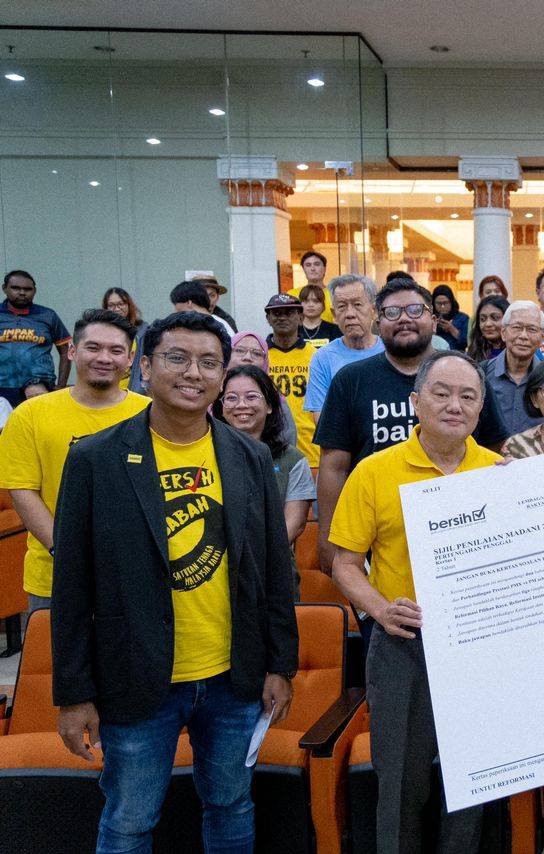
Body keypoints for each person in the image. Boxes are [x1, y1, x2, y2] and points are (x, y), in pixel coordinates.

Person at [51, 310, 297, 853]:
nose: (193, 373)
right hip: (135, 678)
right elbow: (71, 586)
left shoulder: (250, 456)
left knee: (231, 804)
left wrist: (280, 664)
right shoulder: (94, 458)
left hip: (233, 677)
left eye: (209, 362)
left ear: (223, 374)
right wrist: (73, 694)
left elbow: (274, 571)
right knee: (130, 820)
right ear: (144, 367)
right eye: (177, 358)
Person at [329, 350, 497, 854]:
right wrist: (380, 609)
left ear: (481, 408)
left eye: (468, 396)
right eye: (441, 393)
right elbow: (343, 564)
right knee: (401, 784)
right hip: (404, 644)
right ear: (416, 401)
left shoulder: (500, 472)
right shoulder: (374, 472)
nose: (454, 405)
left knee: (474, 783)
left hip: (480, 647)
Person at [314, 280, 508, 572]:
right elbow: (333, 466)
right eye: (392, 312)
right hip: (378, 535)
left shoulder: (466, 376)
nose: (404, 318)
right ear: (378, 321)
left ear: (434, 319)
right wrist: (328, 540)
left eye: (415, 310)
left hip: (464, 532)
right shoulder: (351, 380)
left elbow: (491, 451)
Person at [0, 310, 149, 612]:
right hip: (55, 576)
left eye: (116, 350)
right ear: (71, 350)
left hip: (136, 576)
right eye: (93, 347)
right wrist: (66, 552)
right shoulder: (30, 414)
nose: (104, 358)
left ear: (130, 359)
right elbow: (22, 490)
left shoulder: (151, 415)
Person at [213, 365, 315, 566]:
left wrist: (251, 560)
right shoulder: (207, 452)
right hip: (215, 565)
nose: (241, 405)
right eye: (231, 398)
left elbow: (293, 525)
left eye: (251, 397)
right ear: (221, 408)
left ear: (269, 405)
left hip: (272, 565)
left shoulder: (292, 460)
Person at [303, 275, 385, 418]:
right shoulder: (323, 358)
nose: (349, 314)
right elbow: (322, 420)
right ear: (334, 314)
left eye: (357, 305)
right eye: (341, 306)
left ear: (374, 310)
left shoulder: (391, 351)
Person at [264, 293, 320, 466]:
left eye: (289, 312)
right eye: (276, 313)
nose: (282, 317)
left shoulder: (317, 356)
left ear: (301, 317)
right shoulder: (259, 356)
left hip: (311, 450)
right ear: (268, 318)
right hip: (269, 450)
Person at [0, 269, 71, 405]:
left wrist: (61, 386)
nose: (22, 292)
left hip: (39, 385)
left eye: (28, 289)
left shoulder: (48, 315)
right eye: (16, 288)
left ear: (35, 291)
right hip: (3, 386)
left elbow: (66, 350)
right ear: (4, 288)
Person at [483, 300, 544, 435]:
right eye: (517, 327)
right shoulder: (481, 374)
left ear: (542, 337)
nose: (523, 336)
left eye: (531, 329)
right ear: (503, 333)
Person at [229, 330, 300, 451]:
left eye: (256, 353)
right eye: (240, 350)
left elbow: (287, 442)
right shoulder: (212, 393)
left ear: (265, 361)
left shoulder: (275, 399)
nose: (247, 357)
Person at [103, 287, 149, 393]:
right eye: (111, 305)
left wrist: (142, 387)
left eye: (121, 304)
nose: (117, 308)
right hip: (106, 389)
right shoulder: (100, 331)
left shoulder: (142, 330)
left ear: (129, 305)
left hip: (134, 390)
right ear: (105, 308)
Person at [170, 280, 235, 340]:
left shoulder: (195, 324)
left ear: (189, 303)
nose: (176, 310)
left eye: (175, 304)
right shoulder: (222, 322)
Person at [288, 250, 334, 322]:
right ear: (303, 269)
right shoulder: (292, 295)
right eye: (308, 265)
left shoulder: (334, 294)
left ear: (324, 268)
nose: (312, 269)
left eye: (317, 264)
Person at [465, 295, 509, 364]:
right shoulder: (472, 354)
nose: (488, 324)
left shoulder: (516, 352)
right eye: (483, 319)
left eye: (495, 318)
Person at [431, 284, 468, 351]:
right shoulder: (430, 318)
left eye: (446, 303)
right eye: (439, 303)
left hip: (456, 355)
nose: (442, 306)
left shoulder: (463, 318)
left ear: (451, 302)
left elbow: (466, 342)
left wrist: (451, 329)